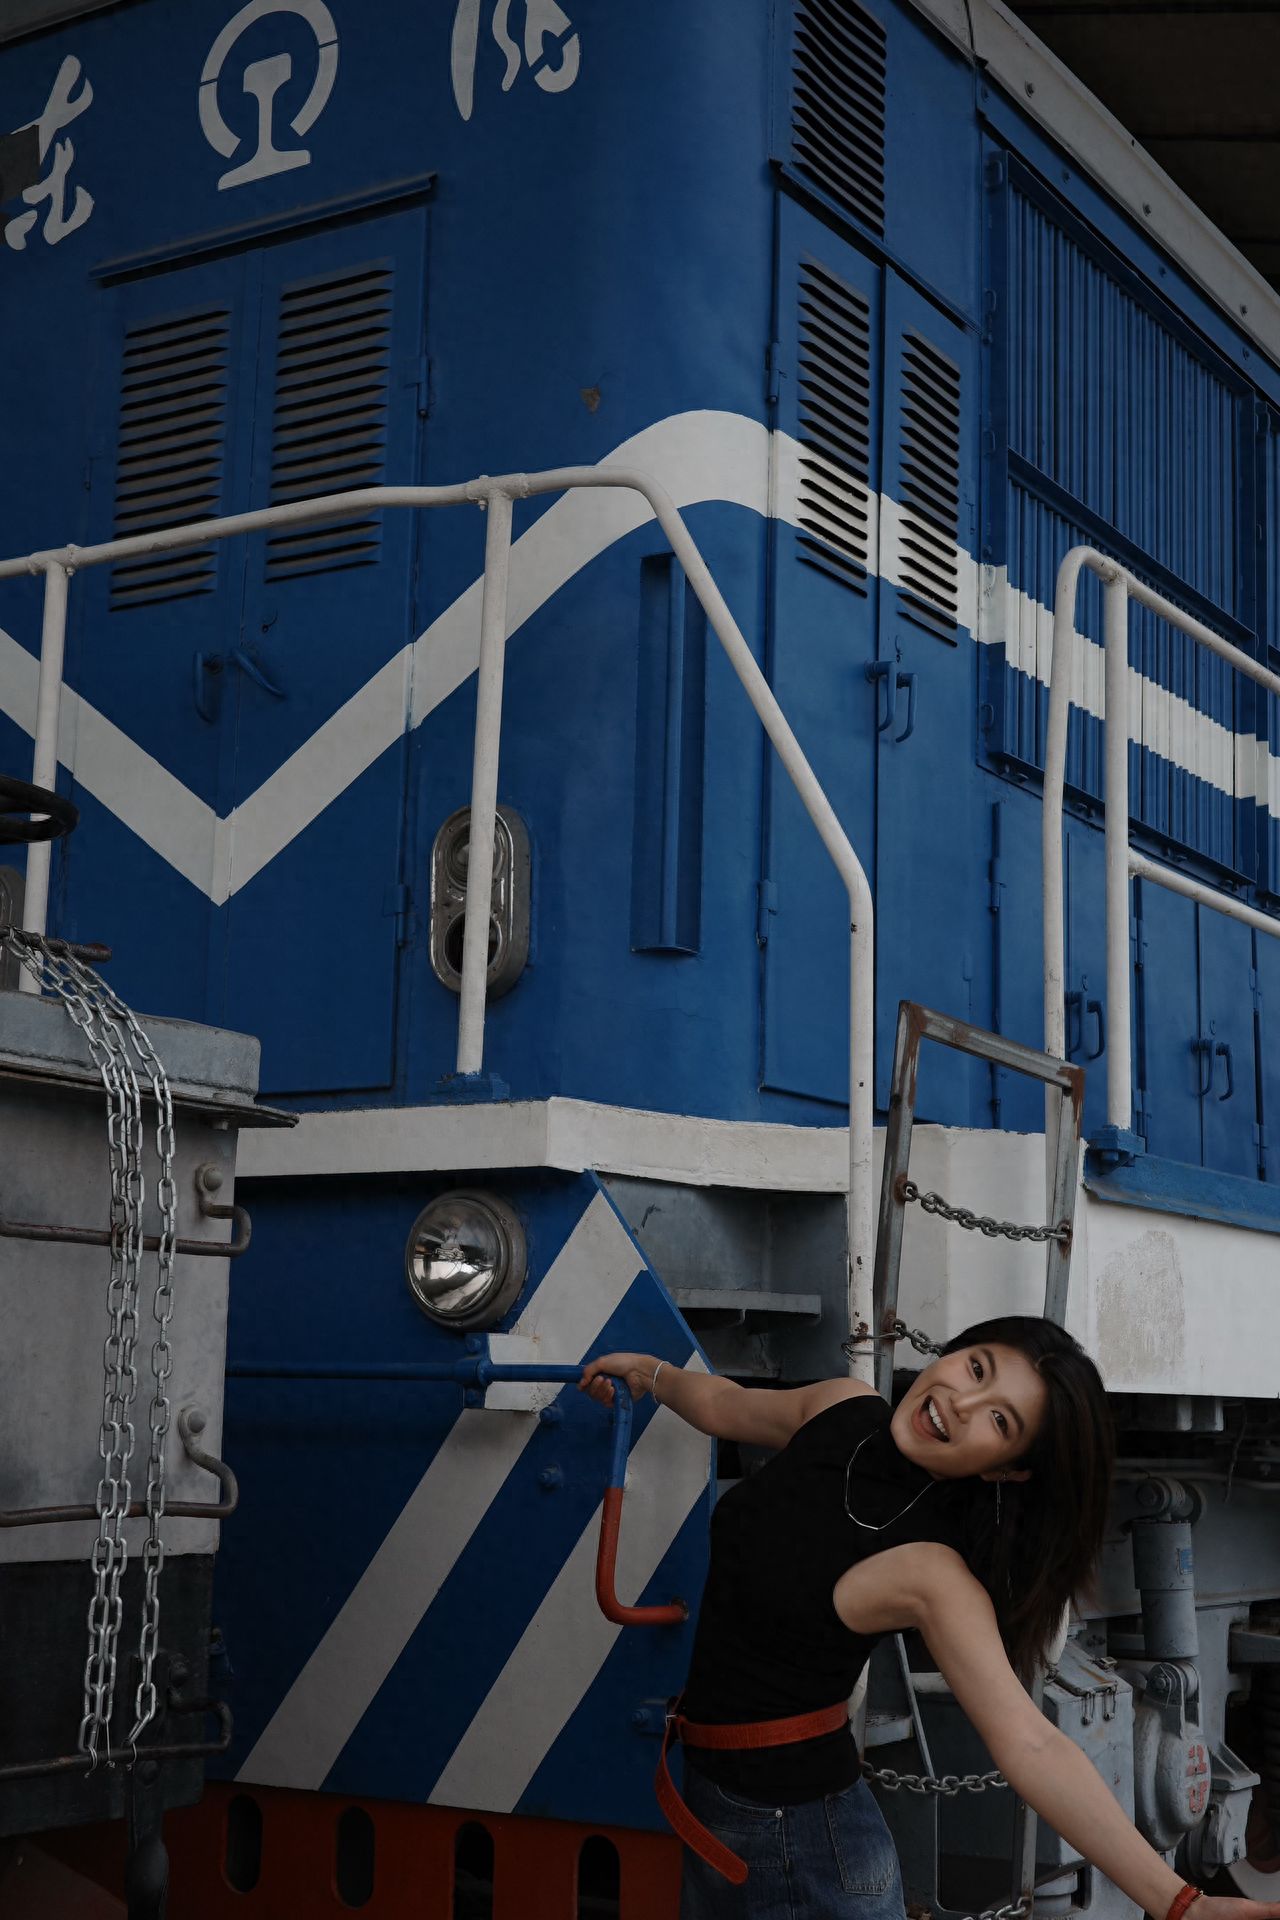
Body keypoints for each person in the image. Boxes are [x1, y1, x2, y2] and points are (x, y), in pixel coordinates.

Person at [579, 1317, 1280, 1920]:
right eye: (976, 1368)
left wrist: (1177, 1900)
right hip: (721, 1817)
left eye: (999, 1421)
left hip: (809, 1855)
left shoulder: (930, 1571)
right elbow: (729, 1403)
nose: (959, 1403)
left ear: (1007, 1471)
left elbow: (1032, 1746)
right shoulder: (842, 1408)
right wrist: (655, 1375)